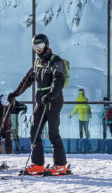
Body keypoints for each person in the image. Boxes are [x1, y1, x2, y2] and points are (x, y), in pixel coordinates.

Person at [10, 33, 70, 175]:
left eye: (40, 46)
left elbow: (59, 79)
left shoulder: (55, 60)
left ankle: (60, 165)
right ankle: (37, 164)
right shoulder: (37, 63)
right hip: (41, 99)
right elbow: (27, 79)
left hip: (53, 100)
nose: (38, 49)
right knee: (34, 131)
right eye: (35, 47)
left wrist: (51, 95)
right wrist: (15, 93)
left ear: (46, 45)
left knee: (53, 132)